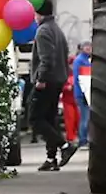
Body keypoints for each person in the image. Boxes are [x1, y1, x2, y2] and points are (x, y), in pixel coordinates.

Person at [30, 11, 74, 171]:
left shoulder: (43, 31)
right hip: (57, 79)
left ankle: (64, 145)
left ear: (39, 14)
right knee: (50, 119)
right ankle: (51, 158)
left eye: (35, 14)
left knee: (35, 118)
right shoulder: (57, 29)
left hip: (46, 81)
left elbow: (46, 58)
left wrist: (41, 78)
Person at [70, 42, 92, 148]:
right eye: (87, 46)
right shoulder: (79, 60)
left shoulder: (88, 60)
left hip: (87, 92)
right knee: (85, 117)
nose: (89, 48)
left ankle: (85, 138)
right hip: (83, 93)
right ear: (82, 48)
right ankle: (83, 140)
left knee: (86, 117)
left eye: (90, 46)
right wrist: (82, 92)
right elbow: (77, 78)